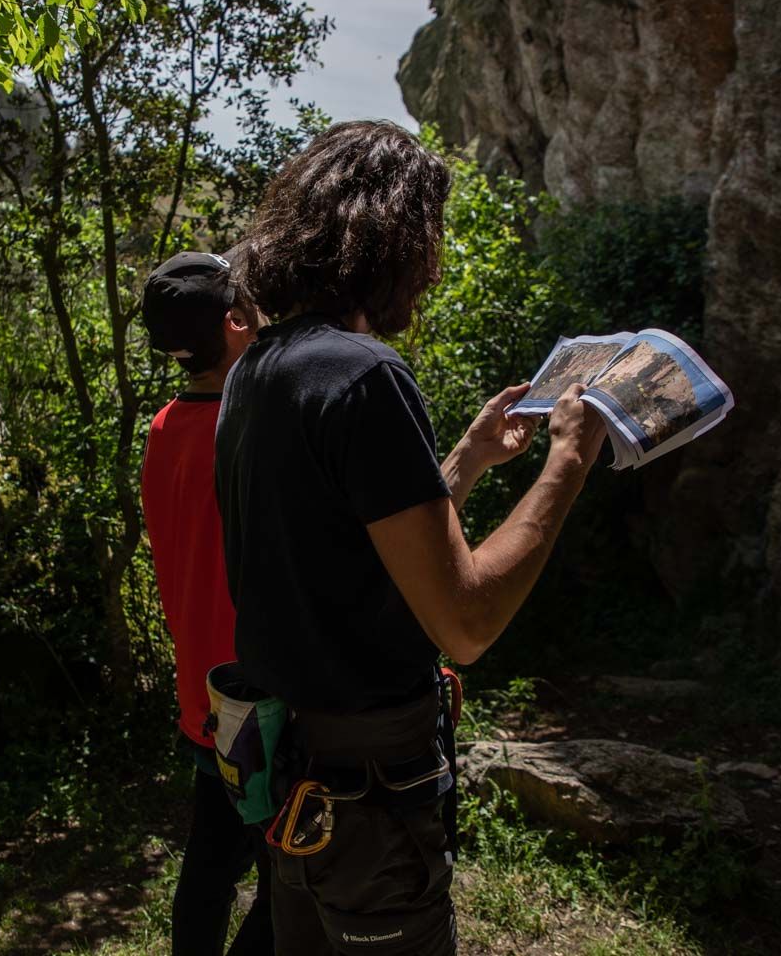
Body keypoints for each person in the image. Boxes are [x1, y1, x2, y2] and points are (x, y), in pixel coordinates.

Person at [214, 121, 608, 954]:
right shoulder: (366, 373)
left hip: (295, 774)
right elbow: (463, 622)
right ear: (394, 237)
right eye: (429, 236)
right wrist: (568, 462)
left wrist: (461, 462)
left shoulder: (261, 368)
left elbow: (347, 543)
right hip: (374, 792)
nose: (432, 267)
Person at [140, 249, 275, 956]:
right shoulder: (250, 429)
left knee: (212, 864)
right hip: (264, 702)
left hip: (204, 695)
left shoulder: (165, 427)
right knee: (290, 881)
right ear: (234, 320)